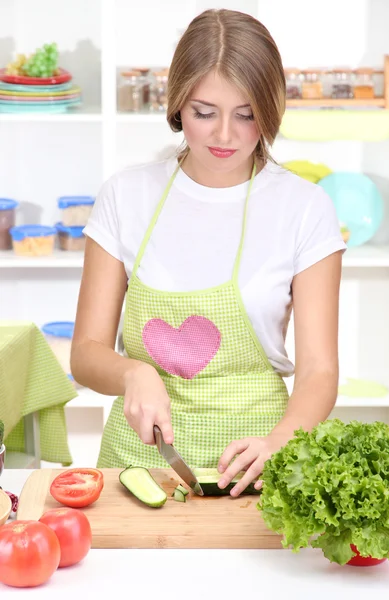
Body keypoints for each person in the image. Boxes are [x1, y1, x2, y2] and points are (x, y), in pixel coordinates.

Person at [71, 8, 346, 497]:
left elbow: (320, 371)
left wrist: (281, 440)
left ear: (271, 108)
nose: (224, 135)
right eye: (204, 112)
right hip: (139, 465)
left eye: (247, 115)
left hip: (256, 464)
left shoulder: (305, 208)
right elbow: (85, 355)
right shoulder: (125, 195)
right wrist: (134, 372)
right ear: (177, 104)